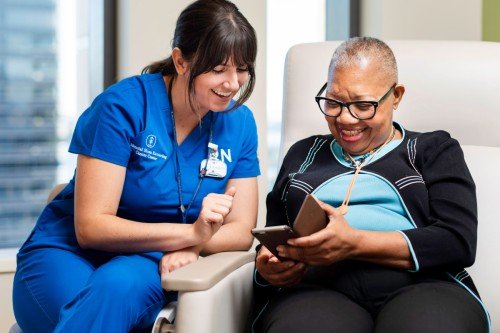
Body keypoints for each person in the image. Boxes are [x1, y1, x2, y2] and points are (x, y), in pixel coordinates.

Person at [13, 0, 259, 332]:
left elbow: (242, 230)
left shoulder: (240, 124)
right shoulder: (122, 107)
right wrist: (190, 234)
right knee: (95, 312)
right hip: (66, 253)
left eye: (242, 68)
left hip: (146, 260)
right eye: (218, 69)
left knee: (116, 287)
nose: (233, 83)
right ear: (180, 60)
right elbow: (92, 227)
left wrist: (197, 244)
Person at [251, 37, 489, 333]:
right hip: (318, 290)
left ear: (396, 96)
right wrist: (270, 267)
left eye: (363, 105)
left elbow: (458, 241)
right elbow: (273, 238)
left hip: (423, 286)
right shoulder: (304, 154)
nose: (346, 119)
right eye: (334, 103)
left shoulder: (433, 150)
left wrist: (354, 243)